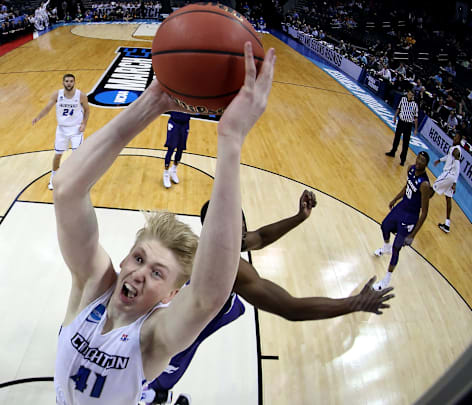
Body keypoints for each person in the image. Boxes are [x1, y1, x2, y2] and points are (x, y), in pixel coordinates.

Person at [52, 43, 275, 404]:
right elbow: (65, 189)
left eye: (158, 273)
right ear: (123, 260)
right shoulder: (91, 288)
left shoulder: (152, 337)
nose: (139, 273)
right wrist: (152, 103)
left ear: (172, 295)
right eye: (139, 259)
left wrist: (230, 142)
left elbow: (207, 297)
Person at [143, 191, 394, 404]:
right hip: (176, 331)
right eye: (234, 222)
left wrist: (299, 217)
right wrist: (353, 304)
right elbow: (291, 308)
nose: (242, 228)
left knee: (166, 370)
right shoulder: (228, 267)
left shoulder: (220, 240)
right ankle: (148, 394)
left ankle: (155, 392)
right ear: (216, 229)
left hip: (187, 320)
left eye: (240, 220)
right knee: (152, 374)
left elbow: (259, 237)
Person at [373, 151, 432, 290]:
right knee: (384, 226)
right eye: (418, 158)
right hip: (401, 208)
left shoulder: (424, 185)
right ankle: (385, 247)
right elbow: (407, 187)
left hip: (410, 217)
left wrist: (412, 235)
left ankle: (386, 279)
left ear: (426, 165)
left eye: (422, 160)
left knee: (397, 248)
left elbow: (424, 213)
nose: (418, 161)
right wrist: (395, 198)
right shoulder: (411, 169)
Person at [32, 73, 90, 190]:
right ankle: (54, 178)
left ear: (74, 82)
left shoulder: (81, 95)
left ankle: (78, 180)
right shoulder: (57, 95)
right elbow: (48, 108)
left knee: (77, 155)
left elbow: (87, 110)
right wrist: (38, 117)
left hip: (76, 129)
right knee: (58, 154)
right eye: (67, 81)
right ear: (63, 82)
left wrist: (84, 123)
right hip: (62, 129)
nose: (69, 83)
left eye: (71, 81)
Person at [432, 132, 463, 233]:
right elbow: (448, 157)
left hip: (448, 175)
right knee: (448, 198)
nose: (454, 138)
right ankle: (447, 224)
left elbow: (457, 165)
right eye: (455, 136)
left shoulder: (457, 150)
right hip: (451, 176)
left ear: (459, 140)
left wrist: (455, 183)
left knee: (432, 187)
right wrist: (440, 160)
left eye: (457, 137)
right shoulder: (454, 149)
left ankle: (417, 206)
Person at [386, 91, 419, 166]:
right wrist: (395, 116)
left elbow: (416, 118)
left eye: (412, 95)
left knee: (405, 143)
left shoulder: (415, 104)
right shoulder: (403, 99)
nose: (410, 96)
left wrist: (416, 129)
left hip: (408, 124)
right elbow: (399, 108)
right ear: (407, 94)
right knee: (397, 137)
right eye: (409, 94)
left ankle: (403, 159)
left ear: (413, 96)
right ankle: (393, 152)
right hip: (401, 121)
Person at [162, 112, 190, 189]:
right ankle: (166, 173)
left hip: (185, 123)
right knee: (171, 148)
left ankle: (173, 169)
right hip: (174, 122)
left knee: (180, 149)